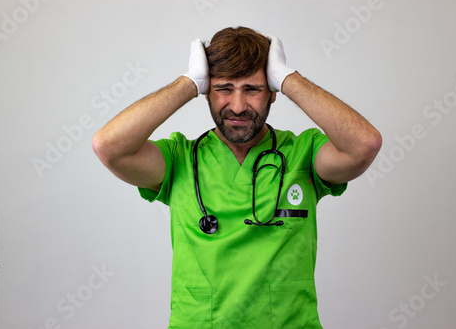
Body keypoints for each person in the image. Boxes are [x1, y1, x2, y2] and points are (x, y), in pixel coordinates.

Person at [92, 26, 382, 328]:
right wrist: (188, 83)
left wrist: (288, 79)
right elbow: (108, 147)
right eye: (224, 89)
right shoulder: (179, 159)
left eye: (253, 89)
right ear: (206, 93)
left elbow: (365, 145)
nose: (239, 106)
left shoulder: (303, 153)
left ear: (271, 93)